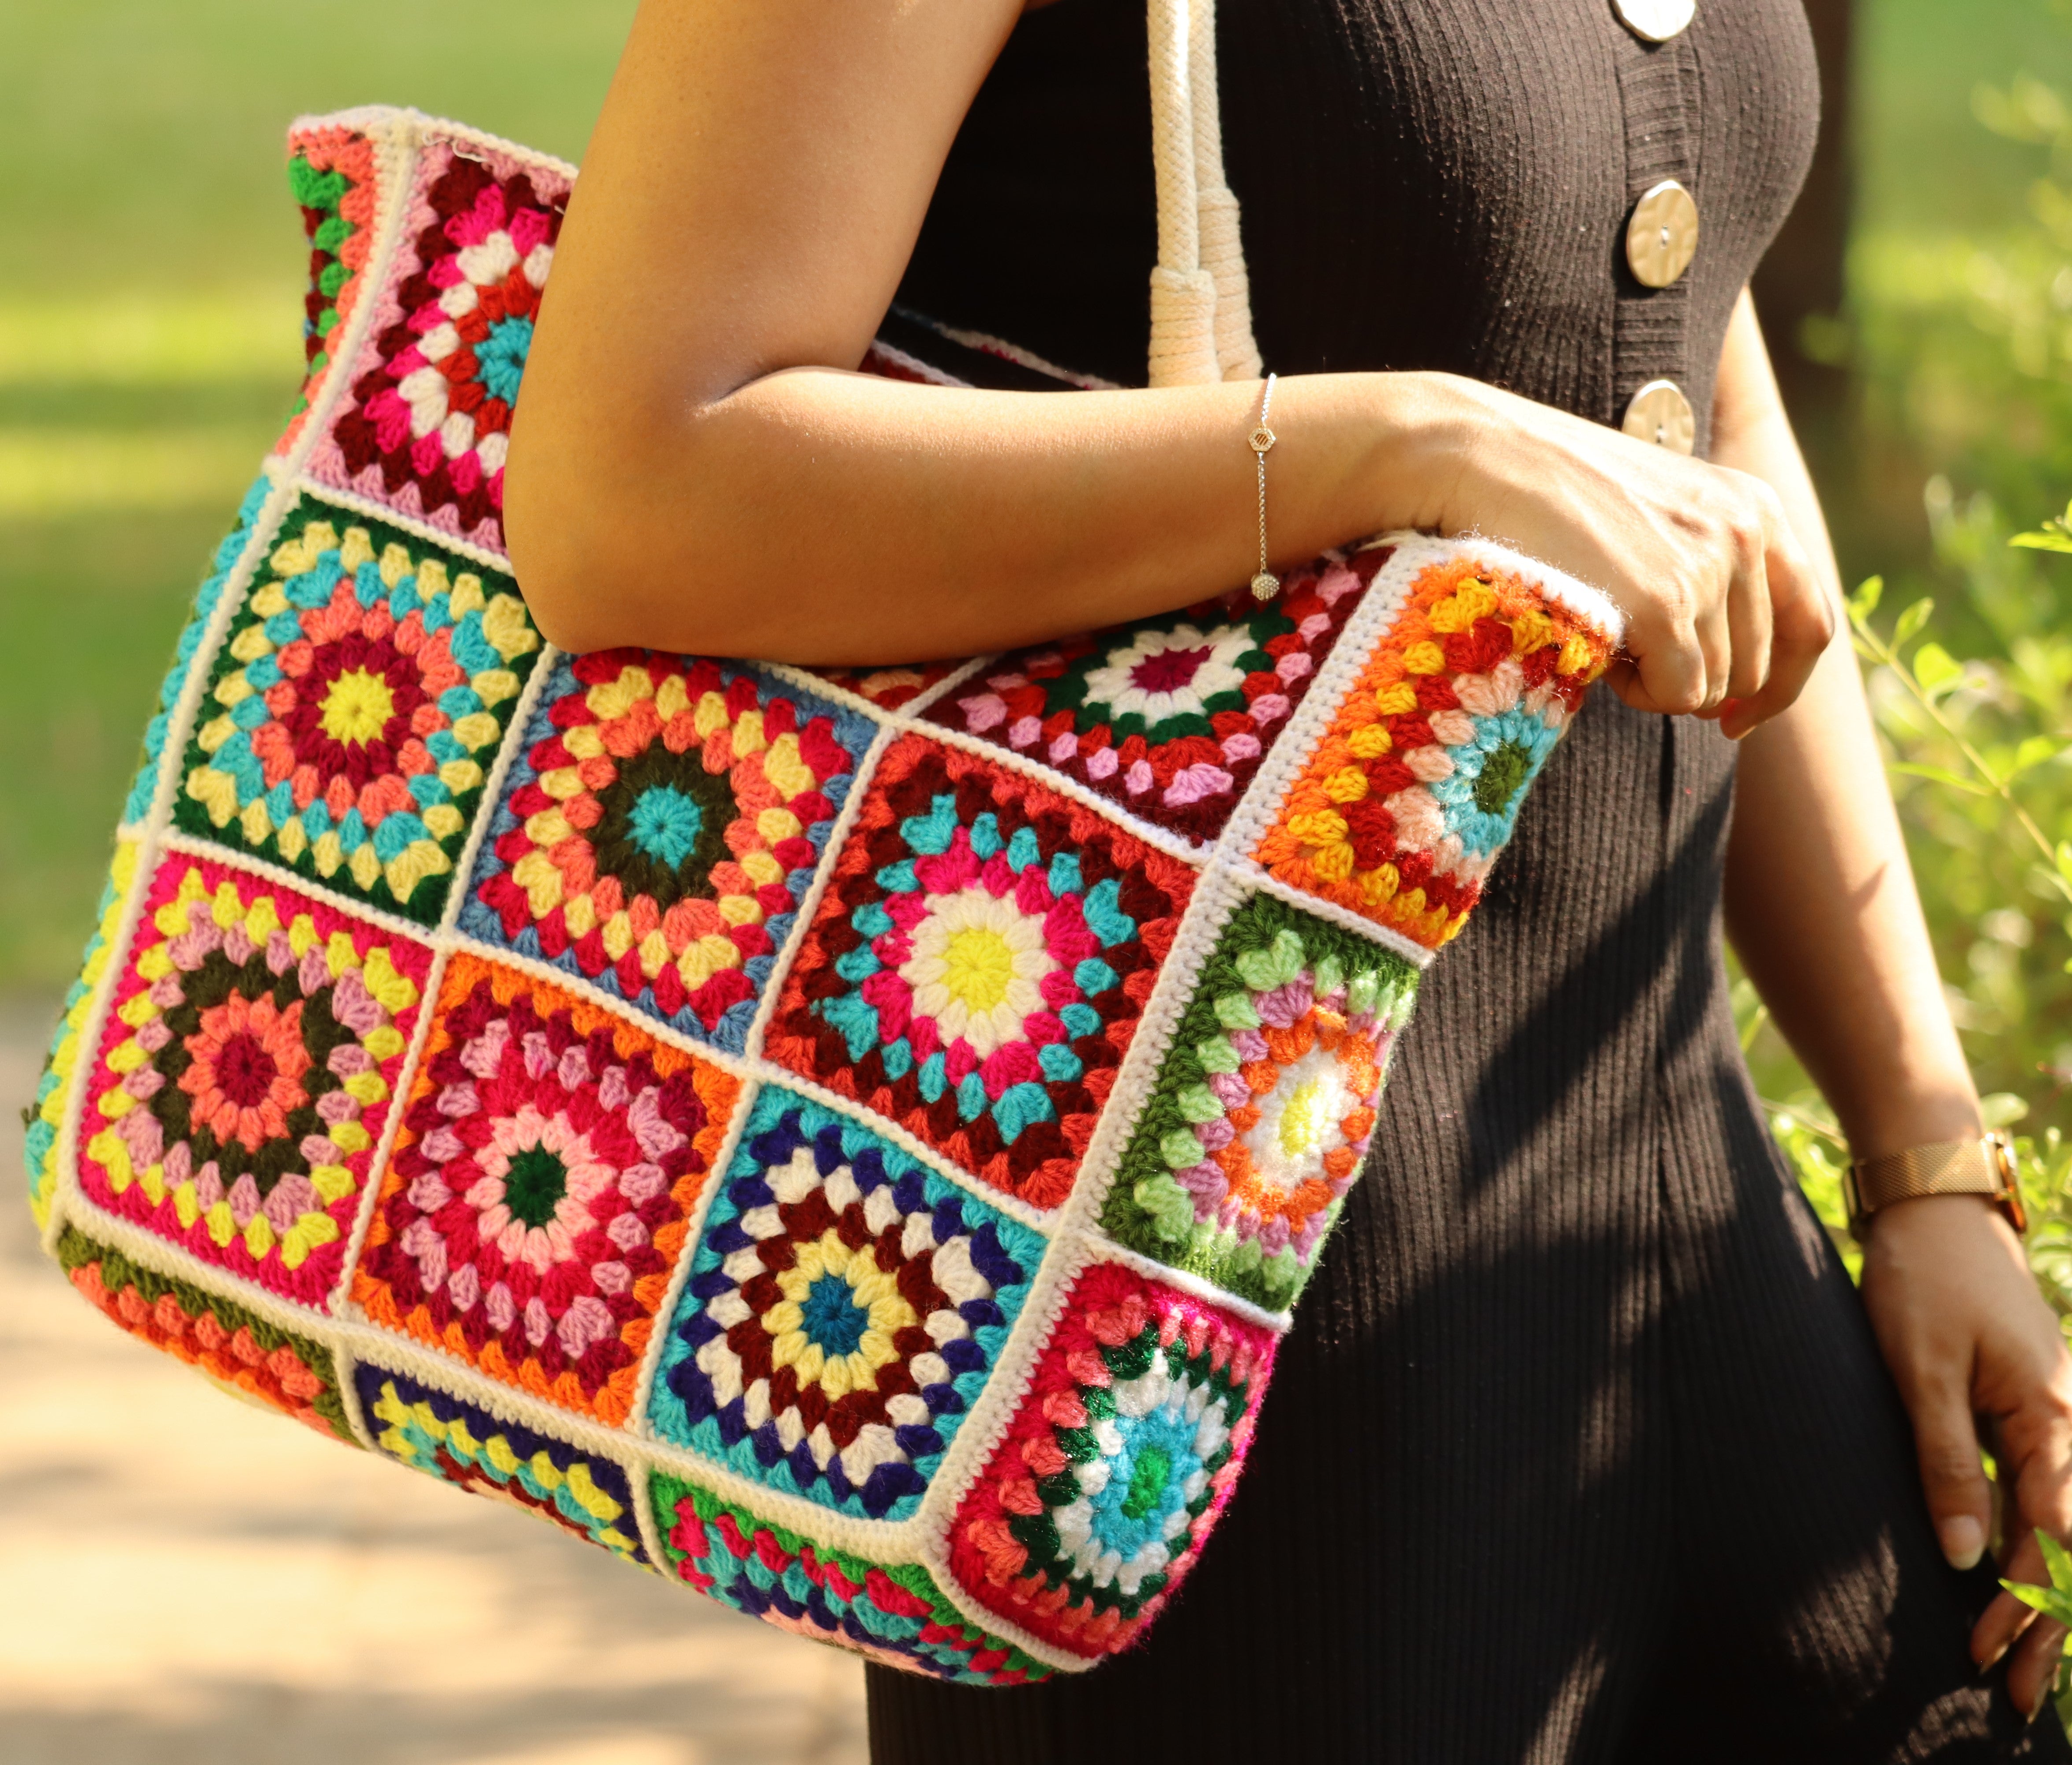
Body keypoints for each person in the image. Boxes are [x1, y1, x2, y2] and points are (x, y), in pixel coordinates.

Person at [504, 0, 2072, 1753]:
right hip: (1195, 1362)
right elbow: (628, 487)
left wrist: (1922, 1152)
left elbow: (1687, 403)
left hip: (1710, 1286)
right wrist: (1403, 446)